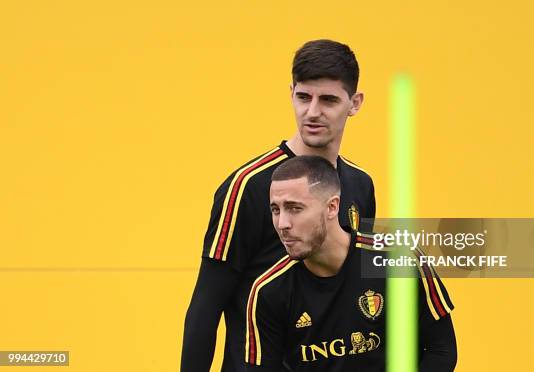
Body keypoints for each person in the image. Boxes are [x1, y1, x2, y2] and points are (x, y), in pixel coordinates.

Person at [181, 40, 376, 371]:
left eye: (328, 100)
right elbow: (206, 305)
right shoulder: (248, 186)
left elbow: (362, 285)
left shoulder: (361, 184)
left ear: (354, 103)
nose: (313, 112)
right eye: (303, 97)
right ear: (291, 94)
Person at [246, 156, 457, 371]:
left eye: (294, 208)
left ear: (332, 207)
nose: (282, 224)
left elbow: (441, 351)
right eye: (275, 210)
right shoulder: (268, 290)